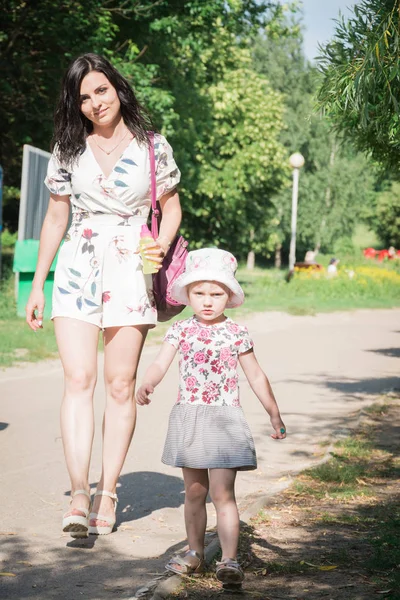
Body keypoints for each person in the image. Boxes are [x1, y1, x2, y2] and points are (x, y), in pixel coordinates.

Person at [25, 53, 182, 537]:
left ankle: (107, 491)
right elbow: (56, 218)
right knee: (79, 378)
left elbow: (171, 209)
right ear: (76, 104)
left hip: (132, 267)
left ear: (118, 88)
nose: (95, 102)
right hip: (78, 265)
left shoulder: (154, 147)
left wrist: (158, 242)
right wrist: (37, 281)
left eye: (102, 90)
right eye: (84, 96)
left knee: (119, 384)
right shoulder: (68, 149)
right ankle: (78, 492)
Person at [136, 248, 286, 590]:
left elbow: (256, 376)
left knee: (222, 493)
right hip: (190, 417)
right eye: (199, 293)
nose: (207, 301)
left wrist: (274, 413)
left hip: (225, 420)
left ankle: (229, 560)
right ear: (187, 294)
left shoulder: (236, 333)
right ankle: (193, 553)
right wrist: (148, 382)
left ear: (229, 296)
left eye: (216, 294)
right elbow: (160, 363)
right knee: (194, 491)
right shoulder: (180, 330)